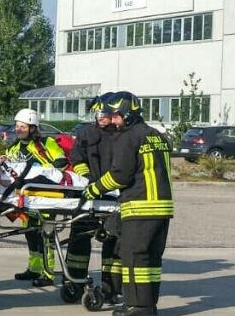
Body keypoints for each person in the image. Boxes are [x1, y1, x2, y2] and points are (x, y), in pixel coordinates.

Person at [82, 92, 173, 316]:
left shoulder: (128, 137)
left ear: (128, 114)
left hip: (140, 208)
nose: (113, 121)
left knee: (133, 259)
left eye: (116, 116)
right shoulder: (156, 135)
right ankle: (148, 305)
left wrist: (93, 189)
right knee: (151, 261)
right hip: (163, 209)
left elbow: (119, 175)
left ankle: (137, 307)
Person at [66, 94, 123, 305]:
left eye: (104, 113)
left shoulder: (122, 135)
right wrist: (88, 180)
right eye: (97, 113)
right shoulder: (86, 133)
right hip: (88, 193)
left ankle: (111, 288)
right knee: (79, 237)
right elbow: (77, 160)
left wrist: (108, 185)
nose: (100, 117)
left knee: (113, 240)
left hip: (115, 196)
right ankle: (74, 283)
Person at [6, 108, 68, 287]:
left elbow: (61, 162)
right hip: (26, 198)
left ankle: (48, 274)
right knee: (30, 233)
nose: (18, 129)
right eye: (17, 126)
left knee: (46, 235)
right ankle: (34, 268)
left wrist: (41, 171)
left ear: (33, 128)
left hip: (46, 196)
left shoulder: (46, 143)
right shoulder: (13, 148)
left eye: (23, 126)